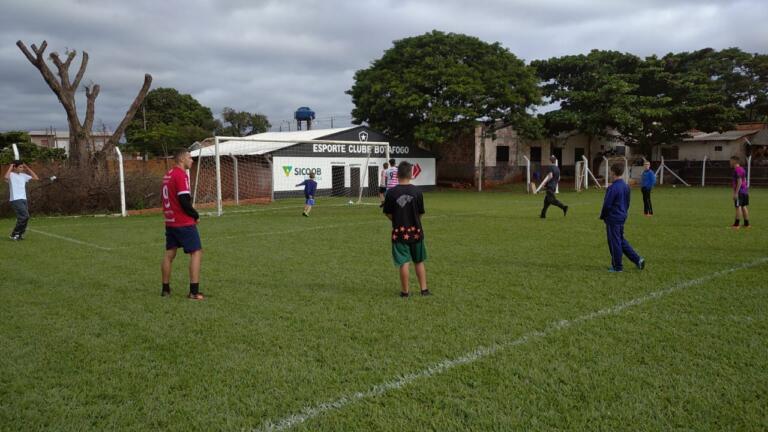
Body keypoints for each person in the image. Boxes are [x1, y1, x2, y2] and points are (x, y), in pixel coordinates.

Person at [161, 149, 203, 300]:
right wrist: (195, 215)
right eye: (190, 158)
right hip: (183, 222)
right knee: (196, 252)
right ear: (182, 159)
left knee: (169, 254)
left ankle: (165, 289)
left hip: (170, 222)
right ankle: (194, 292)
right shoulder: (181, 175)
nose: (192, 161)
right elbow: (184, 200)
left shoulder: (168, 175)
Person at [383, 161, 430, 297]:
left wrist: (396, 220)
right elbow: (421, 212)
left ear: (397, 175)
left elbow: (387, 212)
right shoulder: (417, 192)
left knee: (404, 262)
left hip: (399, 233)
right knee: (418, 260)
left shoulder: (391, 193)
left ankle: (405, 292)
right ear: (411, 174)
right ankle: (424, 290)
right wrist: (414, 220)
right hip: (416, 231)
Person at [600, 163, 645, 273]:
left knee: (614, 242)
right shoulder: (626, 186)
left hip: (613, 218)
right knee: (620, 240)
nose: (610, 174)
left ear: (613, 172)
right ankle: (637, 259)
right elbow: (627, 202)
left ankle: (617, 267)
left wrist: (603, 216)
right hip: (622, 216)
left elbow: (607, 205)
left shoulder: (613, 188)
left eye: (610, 172)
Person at [4, 160, 39, 240]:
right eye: (20, 167)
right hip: (16, 199)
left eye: (22, 167)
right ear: (15, 167)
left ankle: (19, 235)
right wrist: (10, 166)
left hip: (23, 199)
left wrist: (27, 167)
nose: (22, 168)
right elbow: (5, 177)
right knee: (24, 216)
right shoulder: (11, 175)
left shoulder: (23, 176)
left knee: (25, 217)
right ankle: (14, 234)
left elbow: (36, 178)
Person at [730, 156, 750, 229]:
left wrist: (736, 193)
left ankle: (736, 225)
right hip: (745, 191)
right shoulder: (742, 169)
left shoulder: (737, 170)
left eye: (730, 161)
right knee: (744, 207)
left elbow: (739, 181)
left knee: (738, 207)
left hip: (740, 192)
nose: (730, 163)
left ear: (734, 161)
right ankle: (747, 224)